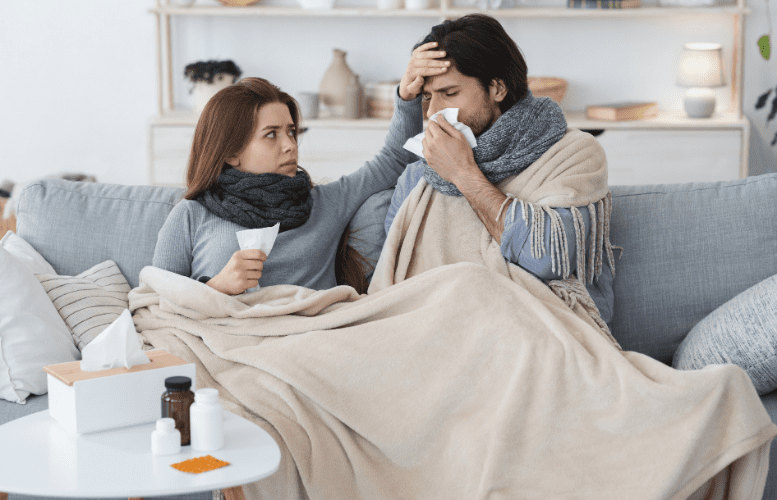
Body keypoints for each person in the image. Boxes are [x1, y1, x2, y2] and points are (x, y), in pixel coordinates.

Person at [152, 44, 452, 296]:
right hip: (225, 340)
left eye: (292, 132)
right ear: (231, 152)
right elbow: (155, 301)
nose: (290, 145)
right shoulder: (191, 214)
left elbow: (393, 159)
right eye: (272, 134)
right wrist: (216, 287)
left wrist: (407, 95)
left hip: (307, 341)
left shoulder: (325, 202)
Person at [384, 13, 616, 325]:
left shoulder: (574, 153)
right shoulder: (421, 174)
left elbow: (548, 258)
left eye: (449, 93)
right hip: (428, 327)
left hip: (522, 327)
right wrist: (405, 99)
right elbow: (394, 275)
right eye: (427, 98)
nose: (436, 113)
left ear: (497, 88)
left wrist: (463, 173)